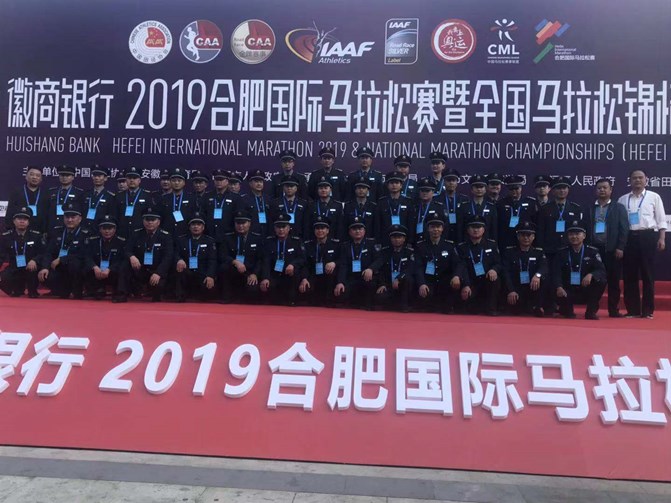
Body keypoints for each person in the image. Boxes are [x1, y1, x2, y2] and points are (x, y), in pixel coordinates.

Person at [618, 169, 667, 319]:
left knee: (648, 274)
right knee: (629, 275)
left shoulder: (654, 197)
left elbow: (661, 219)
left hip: (647, 236)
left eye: (640, 177)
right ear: (630, 181)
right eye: (634, 178)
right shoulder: (622, 199)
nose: (637, 180)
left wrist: (662, 238)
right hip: (628, 238)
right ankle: (632, 310)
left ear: (646, 179)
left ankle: (647, 310)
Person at [536, 175, 583, 315]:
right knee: (549, 278)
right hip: (550, 249)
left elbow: (578, 231)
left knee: (566, 278)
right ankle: (549, 306)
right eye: (558, 188)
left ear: (568, 190)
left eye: (564, 188)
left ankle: (565, 307)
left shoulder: (575, 208)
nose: (562, 191)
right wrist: (541, 249)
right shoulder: (545, 209)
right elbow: (540, 231)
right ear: (553, 190)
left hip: (568, 250)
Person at [115, 207, 174, 303]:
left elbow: (168, 257)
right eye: (147, 219)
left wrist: (158, 273)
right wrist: (131, 256)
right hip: (140, 268)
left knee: (158, 289)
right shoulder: (136, 234)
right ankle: (122, 294)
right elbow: (127, 249)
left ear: (158, 222)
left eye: (153, 220)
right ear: (143, 221)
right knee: (125, 265)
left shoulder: (165, 236)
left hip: (156, 270)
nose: (150, 222)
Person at [589, 178, 629, 317]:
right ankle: (592, 309)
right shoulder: (590, 208)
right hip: (594, 250)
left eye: (605, 187)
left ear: (611, 190)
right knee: (595, 280)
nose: (602, 190)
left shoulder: (618, 208)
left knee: (613, 281)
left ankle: (613, 310)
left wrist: (620, 247)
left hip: (612, 250)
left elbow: (624, 229)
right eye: (599, 188)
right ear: (596, 190)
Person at [553, 220, 607, 320]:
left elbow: (601, 270)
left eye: (578, 234)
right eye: (571, 234)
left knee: (601, 281)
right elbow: (556, 272)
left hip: (585, 287)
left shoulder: (592, 252)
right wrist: (559, 286)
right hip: (568, 289)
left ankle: (591, 312)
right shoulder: (562, 252)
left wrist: (591, 274)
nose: (574, 237)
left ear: (584, 236)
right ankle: (565, 309)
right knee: (553, 284)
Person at [38, 202, 90, 299]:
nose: (70, 220)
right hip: (58, 267)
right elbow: (49, 252)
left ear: (80, 219)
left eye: (73, 217)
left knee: (75, 264)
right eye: (67, 217)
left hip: (75, 267)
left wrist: (62, 259)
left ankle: (77, 291)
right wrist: (45, 267)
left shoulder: (85, 233)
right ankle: (62, 291)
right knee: (44, 274)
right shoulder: (57, 231)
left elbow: (84, 254)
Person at [414, 216, 464, 314]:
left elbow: (458, 263)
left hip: (444, 281)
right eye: (432, 227)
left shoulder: (449, 245)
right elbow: (418, 267)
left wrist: (456, 276)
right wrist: (421, 283)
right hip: (428, 281)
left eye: (438, 227)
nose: (435, 230)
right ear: (428, 229)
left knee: (448, 305)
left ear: (442, 229)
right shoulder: (421, 246)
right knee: (426, 304)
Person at [457, 216, 502, 316]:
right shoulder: (462, 247)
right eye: (473, 227)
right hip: (470, 282)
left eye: (479, 227)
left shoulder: (491, 245)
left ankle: (491, 308)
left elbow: (498, 263)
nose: (476, 230)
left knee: (496, 280)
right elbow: (461, 267)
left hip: (486, 280)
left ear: (484, 229)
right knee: (470, 308)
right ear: (468, 230)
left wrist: (494, 269)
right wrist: (466, 284)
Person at [502, 221, 548, 317]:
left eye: (529, 235)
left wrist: (537, 275)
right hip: (516, 288)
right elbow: (506, 273)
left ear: (533, 237)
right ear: (518, 236)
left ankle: (538, 306)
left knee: (544, 279)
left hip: (532, 287)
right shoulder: (510, 252)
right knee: (516, 310)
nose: (526, 238)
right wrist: (511, 290)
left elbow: (544, 267)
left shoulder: (538, 252)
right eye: (523, 235)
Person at [218, 210, 264, 304]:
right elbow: (223, 255)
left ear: (249, 223)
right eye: (238, 223)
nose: (240, 226)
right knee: (224, 267)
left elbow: (260, 259)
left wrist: (255, 274)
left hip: (249, 272)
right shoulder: (228, 238)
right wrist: (235, 261)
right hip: (233, 269)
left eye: (243, 223)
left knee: (252, 294)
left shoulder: (257, 239)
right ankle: (227, 295)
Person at [260, 212, 305, 306]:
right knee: (271, 296)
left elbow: (302, 258)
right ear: (274, 228)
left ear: (288, 228)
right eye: (278, 227)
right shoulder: (269, 242)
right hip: (274, 275)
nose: (281, 230)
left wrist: (293, 264)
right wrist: (265, 278)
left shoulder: (296, 241)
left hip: (289, 275)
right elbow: (266, 261)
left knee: (291, 298)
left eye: (283, 227)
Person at [334, 217, 379, 309]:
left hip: (366, 277)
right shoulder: (345, 246)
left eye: (360, 229)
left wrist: (371, 268)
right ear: (350, 232)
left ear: (364, 231)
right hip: (351, 277)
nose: (357, 231)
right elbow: (343, 265)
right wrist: (340, 282)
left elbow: (378, 259)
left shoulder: (371, 244)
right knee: (341, 294)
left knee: (371, 287)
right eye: (354, 229)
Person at [0, 206, 44, 298]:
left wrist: (35, 260)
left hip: (30, 267)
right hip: (14, 267)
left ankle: (33, 290)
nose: (22, 221)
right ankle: (16, 289)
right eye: (19, 219)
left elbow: (42, 253)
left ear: (28, 222)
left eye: (25, 219)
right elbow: (1, 255)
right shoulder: (6, 236)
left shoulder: (36, 236)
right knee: (5, 277)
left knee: (33, 270)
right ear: (14, 221)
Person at [174, 212, 217, 302]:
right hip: (187, 271)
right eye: (193, 224)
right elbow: (175, 253)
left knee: (208, 294)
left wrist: (210, 275)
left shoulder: (209, 241)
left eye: (198, 224)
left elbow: (212, 260)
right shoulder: (181, 240)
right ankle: (180, 296)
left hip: (202, 272)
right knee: (179, 271)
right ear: (189, 227)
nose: (196, 227)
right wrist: (179, 260)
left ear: (203, 227)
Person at [299, 215, 340, 307]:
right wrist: (304, 278)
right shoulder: (308, 245)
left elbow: (342, 260)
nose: (320, 231)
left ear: (327, 230)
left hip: (329, 276)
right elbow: (305, 264)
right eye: (317, 228)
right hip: (314, 275)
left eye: (322, 228)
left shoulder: (335, 244)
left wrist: (334, 263)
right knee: (306, 290)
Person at [83, 215, 126, 300]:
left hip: (112, 272)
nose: (107, 231)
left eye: (110, 228)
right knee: (84, 266)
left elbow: (121, 260)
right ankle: (95, 289)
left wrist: (110, 269)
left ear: (115, 229)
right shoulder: (93, 241)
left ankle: (119, 292)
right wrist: (94, 267)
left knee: (124, 267)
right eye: (104, 228)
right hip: (97, 272)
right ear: (100, 229)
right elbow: (87, 256)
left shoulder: (121, 242)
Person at [374, 225, 415, 312]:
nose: (396, 240)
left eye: (399, 237)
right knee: (380, 297)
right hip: (389, 285)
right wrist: (382, 284)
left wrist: (399, 278)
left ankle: (404, 305)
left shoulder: (409, 252)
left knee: (408, 279)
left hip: (402, 284)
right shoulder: (385, 252)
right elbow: (381, 270)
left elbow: (410, 269)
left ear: (404, 239)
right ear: (390, 239)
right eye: (394, 237)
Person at [496, 175, 538, 250]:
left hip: (525, 240)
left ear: (521, 188)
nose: (514, 191)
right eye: (511, 189)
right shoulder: (501, 203)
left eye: (516, 188)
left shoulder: (531, 202)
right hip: (506, 241)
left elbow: (535, 222)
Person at [202, 169, 243, 243]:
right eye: (216, 179)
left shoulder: (235, 198)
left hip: (228, 236)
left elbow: (238, 217)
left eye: (221, 180)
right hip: (209, 235)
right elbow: (203, 214)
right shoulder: (207, 196)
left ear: (227, 181)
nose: (218, 182)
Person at [5, 165, 48, 234]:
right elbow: (10, 212)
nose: (34, 177)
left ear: (41, 179)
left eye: (37, 175)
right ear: (26, 177)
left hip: (40, 231)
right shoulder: (17, 192)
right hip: (20, 231)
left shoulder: (46, 194)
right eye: (32, 174)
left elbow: (48, 214)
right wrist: (9, 228)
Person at [376, 171, 415, 245]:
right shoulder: (381, 202)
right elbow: (378, 224)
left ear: (401, 185)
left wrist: (410, 240)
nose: (394, 185)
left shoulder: (408, 202)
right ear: (387, 185)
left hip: (403, 239)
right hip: (386, 239)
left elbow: (411, 224)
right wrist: (378, 241)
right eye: (391, 183)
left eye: (397, 183)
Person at [456, 174, 498, 242]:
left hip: (486, 242)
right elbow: (460, 228)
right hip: (468, 242)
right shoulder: (464, 206)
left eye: (481, 187)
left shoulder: (491, 207)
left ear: (485, 189)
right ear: (472, 190)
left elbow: (494, 229)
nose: (479, 189)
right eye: (476, 187)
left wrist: (494, 244)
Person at [115, 166, 153, 239]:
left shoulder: (147, 196)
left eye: (134, 178)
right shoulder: (119, 196)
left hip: (140, 233)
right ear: (126, 180)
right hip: (122, 233)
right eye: (129, 178)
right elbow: (115, 215)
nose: (132, 180)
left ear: (139, 180)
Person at [159, 167, 198, 238]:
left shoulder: (192, 198)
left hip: (185, 235)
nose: (176, 183)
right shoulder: (163, 198)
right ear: (170, 182)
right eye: (173, 180)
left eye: (179, 181)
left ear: (184, 183)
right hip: (167, 235)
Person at [269, 174, 308, 239]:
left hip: (299, 237)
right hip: (280, 237)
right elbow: (271, 222)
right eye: (287, 186)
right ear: (283, 188)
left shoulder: (304, 203)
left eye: (292, 186)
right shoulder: (275, 203)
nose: (289, 188)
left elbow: (306, 223)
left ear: (296, 188)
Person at [46, 165, 83, 230]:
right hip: (52, 227)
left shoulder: (79, 193)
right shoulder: (51, 192)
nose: (64, 178)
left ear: (73, 177)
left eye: (67, 175)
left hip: (69, 227)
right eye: (62, 175)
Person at [81, 164, 116, 233]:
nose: (96, 178)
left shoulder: (110, 196)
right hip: (84, 230)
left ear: (105, 178)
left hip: (100, 231)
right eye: (94, 176)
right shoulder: (85, 194)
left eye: (99, 176)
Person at [438, 168, 468, 243]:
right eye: (448, 180)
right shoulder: (436, 199)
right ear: (444, 182)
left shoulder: (464, 199)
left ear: (457, 182)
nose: (451, 183)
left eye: (453, 180)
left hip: (460, 237)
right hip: (443, 237)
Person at [413, 177, 445, 245]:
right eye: (422, 191)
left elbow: (444, 226)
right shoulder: (414, 206)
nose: (424, 193)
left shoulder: (439, 207)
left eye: (427, 191)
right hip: (415, 241)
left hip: (432, 241)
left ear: (433, 192)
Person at [242, 169, 272, 237]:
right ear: (250, 183)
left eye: (261, 181)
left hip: (267, 235)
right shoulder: (244, 199)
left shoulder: (269, 199)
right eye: (256, 181)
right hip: (251, 234)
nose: (259, 184)